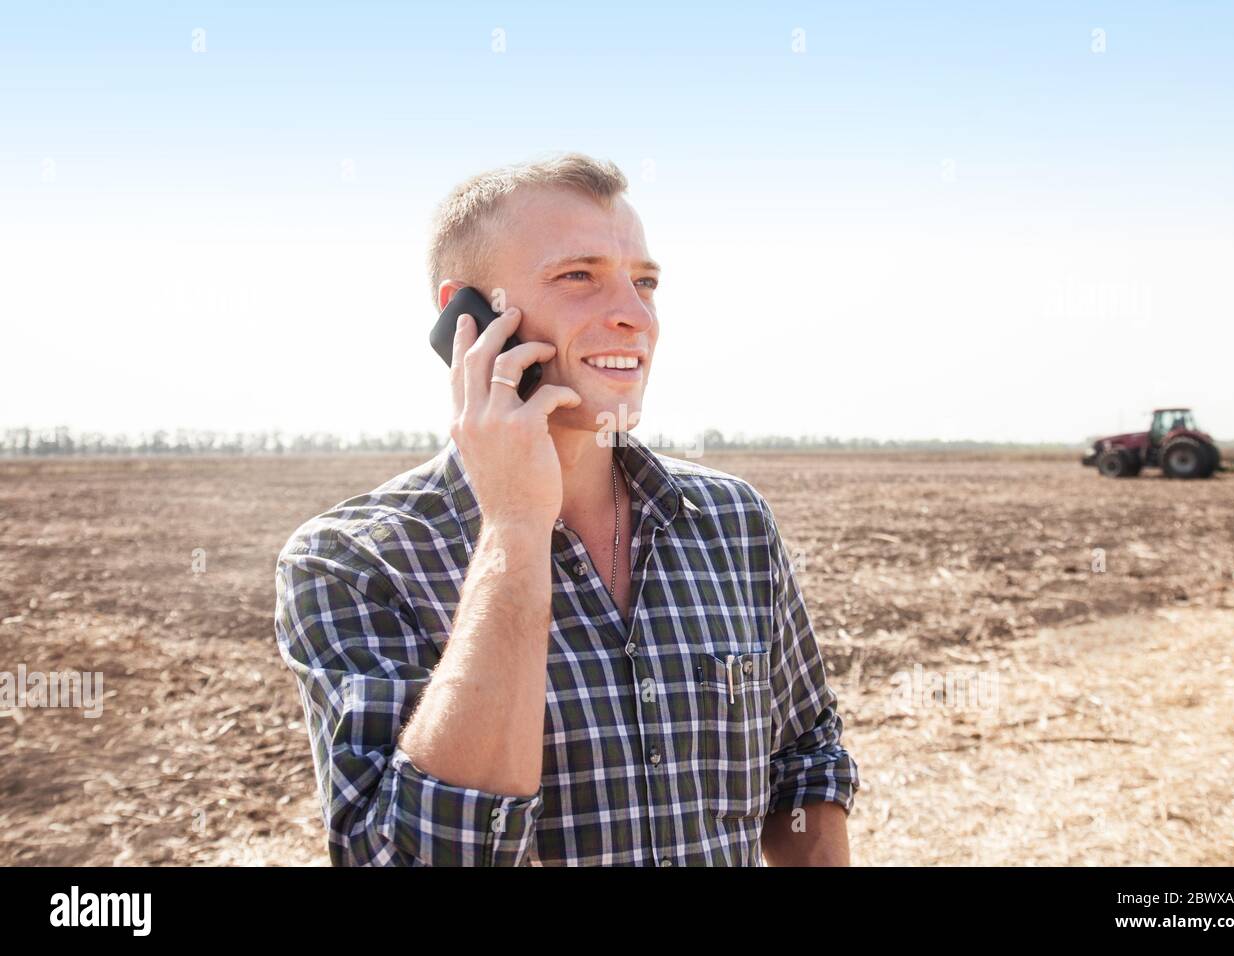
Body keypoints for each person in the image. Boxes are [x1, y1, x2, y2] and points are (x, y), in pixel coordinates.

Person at [273, 152, 859, 866]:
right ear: (469, 316)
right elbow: (412, 858)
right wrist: (516, 528)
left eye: (645, 283)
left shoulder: (732, 522)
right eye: (579, 276)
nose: (636, 317)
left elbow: (803, 759)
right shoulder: (353, 561)